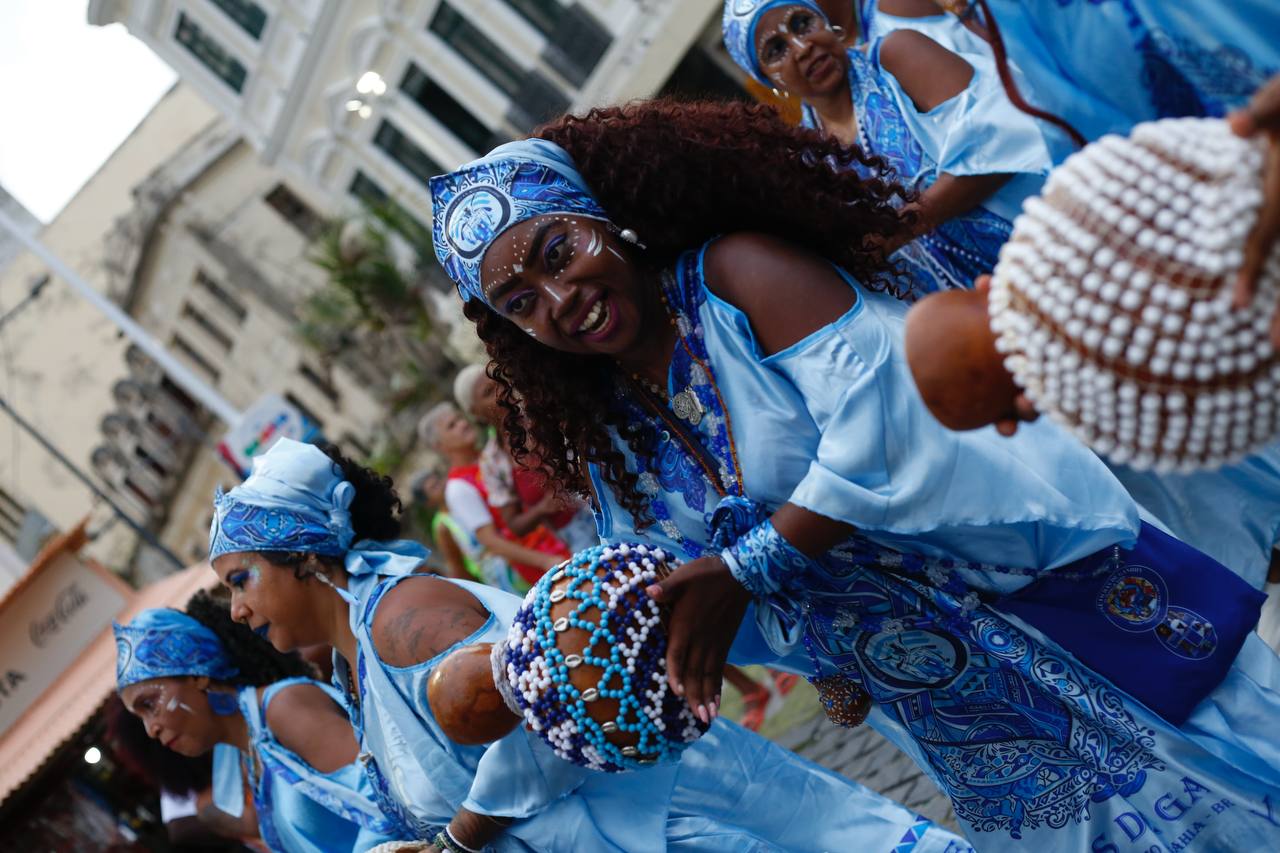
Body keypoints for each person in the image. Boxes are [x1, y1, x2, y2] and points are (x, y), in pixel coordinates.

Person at [427, 102, 1280, 849]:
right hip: (942, 701)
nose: (558, 294)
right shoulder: (611, 439)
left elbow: (894, 420)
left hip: (1050, 600)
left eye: (557, 249)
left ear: (604, 219)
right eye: (521, 300)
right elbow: (678, 585)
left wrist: (749, 567)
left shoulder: (737, 277)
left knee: (1242, 772)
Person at [209, 438, 973, 853]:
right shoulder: (359, 658)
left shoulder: (404, 620)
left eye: (241, 579)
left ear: (305, 555)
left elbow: (557, 706)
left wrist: (460, 842)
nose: (240, 610)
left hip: (670, 820)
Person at [724, 0, 1062, 292]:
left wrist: (893, 232)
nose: (803, 47)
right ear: (769, 80)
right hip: (984, 316)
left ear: (825, 22)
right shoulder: (811, 161)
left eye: (802, 23)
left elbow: (1002, 137)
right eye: (776, 49)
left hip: (1054, 249)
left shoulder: (895, 56)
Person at [114, 592, 399, 852]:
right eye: (140, 717)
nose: (151, 729)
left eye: (150, 704)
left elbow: (391, 798)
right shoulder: (247, 757)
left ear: (197, 676)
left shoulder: (282, 708)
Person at [418, 401, 566, 591]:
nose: (462, 424)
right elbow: (492, 542)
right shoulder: (458, 488)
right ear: (440, 446)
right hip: (540, 566)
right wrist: (545, 560)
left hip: (558, 539)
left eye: (459, 418)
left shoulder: (491, 457)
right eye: (451, 426)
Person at [453, 363, 599, 554]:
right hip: (578, 537)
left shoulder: (544, 411)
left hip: (610, 505)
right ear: (475, 412)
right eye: (488, 392)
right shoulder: (493, 462)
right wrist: (543, 508)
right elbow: (515, 525)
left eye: (499, 380)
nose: (501, 390)